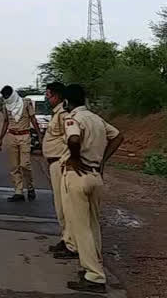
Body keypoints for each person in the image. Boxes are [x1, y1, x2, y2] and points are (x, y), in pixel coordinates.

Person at [59, 84, 124, 294]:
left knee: (81, 228)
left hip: (78, 176)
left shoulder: (73, 119)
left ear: (67, 102)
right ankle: (93, 269)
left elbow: (74, 138)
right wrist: (102, 161)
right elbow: (118, 136)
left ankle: (95, 277)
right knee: (93, 226)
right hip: (95, 175)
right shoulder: (96, 119)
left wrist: (76, 159)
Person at [42, 82, 76, 258]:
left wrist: (65, 158)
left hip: (60, 163)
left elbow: (71, 138)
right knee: (60, 206)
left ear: (57, 96)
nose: (47, 98)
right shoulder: (57, 114)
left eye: (48, 94)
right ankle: (67, 239)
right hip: (55, 163)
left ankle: (70, 243)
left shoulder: (63, 115)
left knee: (64, 206)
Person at [0, 85, 39, 201]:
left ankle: (30, 187)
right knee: (14, 166)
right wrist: (0, 139)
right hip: (12, 136)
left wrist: (39, 135)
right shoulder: (6, 105)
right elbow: (6, 122)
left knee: (25, 164)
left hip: (24, 135)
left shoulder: (26, 103)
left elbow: (33, 119)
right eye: (4, 96)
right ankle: (18, 191)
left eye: (7, 95)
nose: (5, 98)